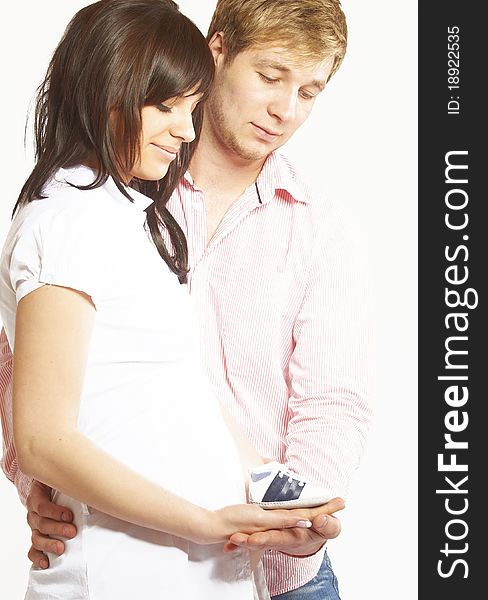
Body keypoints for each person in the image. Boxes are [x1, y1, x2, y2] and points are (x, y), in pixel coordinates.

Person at [1, 0, 372, 598]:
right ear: (216, 50)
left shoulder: (318, 229)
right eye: (271, 77)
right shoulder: (109, 198)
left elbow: (332, 401)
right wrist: (39, 489)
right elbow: (25, 366)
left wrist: (294, 519)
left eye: (309, 92)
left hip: (279, 572)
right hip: (145, 558)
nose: (285, 110)